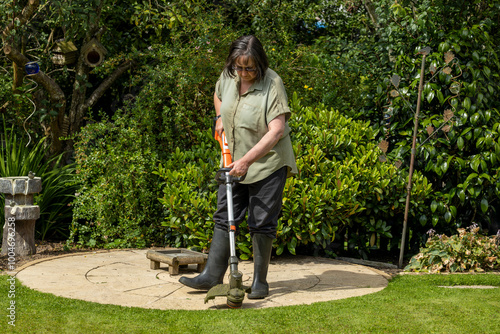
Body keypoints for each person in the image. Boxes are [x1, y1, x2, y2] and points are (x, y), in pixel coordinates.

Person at [179, 35, 297, 299]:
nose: (243, 73)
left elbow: (276, 131)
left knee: (261, 221)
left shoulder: (273, 84)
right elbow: (218, 93)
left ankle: (260, 282)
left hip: (267, 163)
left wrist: (246, 161)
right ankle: (211, 275)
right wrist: (220, 116)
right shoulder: (229, 75)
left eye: (249, 68)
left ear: (261, 64)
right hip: (232, 159)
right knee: (224, 215)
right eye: (239, 67)